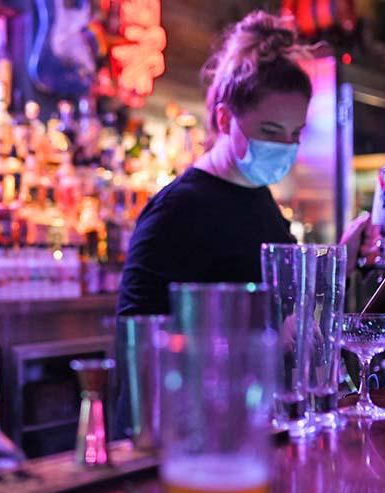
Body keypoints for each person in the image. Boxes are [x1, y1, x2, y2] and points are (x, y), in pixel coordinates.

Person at [117, 11, 310, 316]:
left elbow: (285, 307)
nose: (286, 146)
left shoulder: (260, 199)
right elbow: (137, 335)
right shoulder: (177, 210)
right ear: (224, 119)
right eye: (270, 131)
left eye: (296, 133)